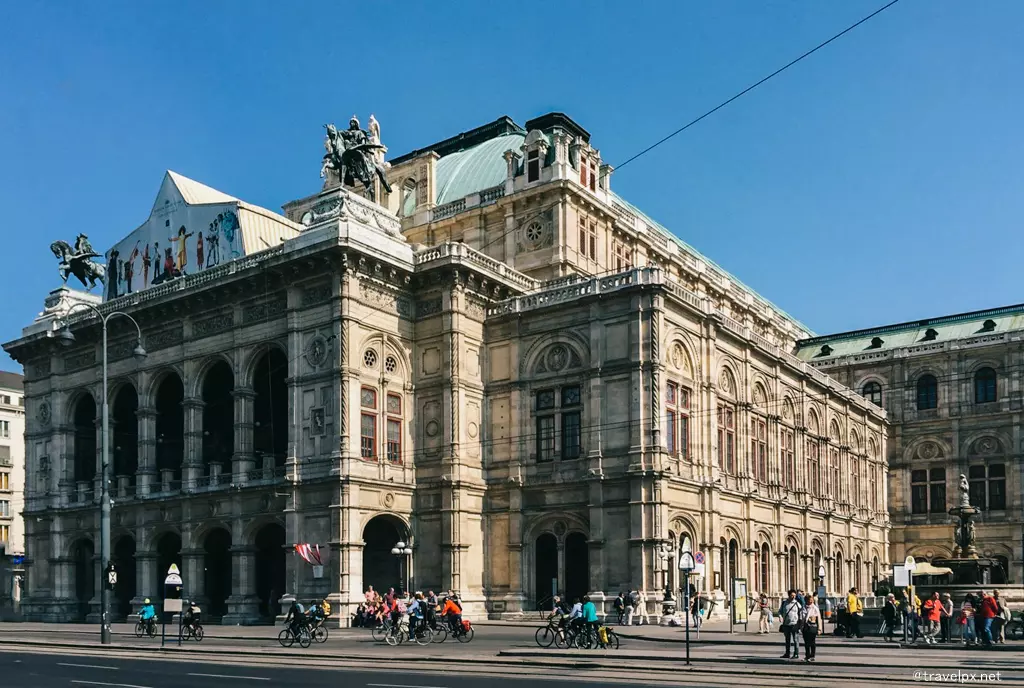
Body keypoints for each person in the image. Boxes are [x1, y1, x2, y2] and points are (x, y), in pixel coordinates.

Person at [779, 589, 802, 659]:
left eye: (794, 595)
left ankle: (796, 653)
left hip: (795, 624)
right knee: (787, 640)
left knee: (795, 639)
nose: (793, 597)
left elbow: (801, 613)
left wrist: (800, 623)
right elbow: (780, 611)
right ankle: (787, 653)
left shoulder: (797, 603)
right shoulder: (784, 603)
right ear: (789, 595)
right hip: (786, 624)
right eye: (792, 595)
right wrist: (780, 617)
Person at [801, 596, 823, 662]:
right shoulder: (803, 608)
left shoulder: (815, 608)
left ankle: (812, 656)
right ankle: (807, 655)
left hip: (813, 627)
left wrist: (819, 629)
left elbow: (819, 619)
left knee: (812, 642)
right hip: (805, 627)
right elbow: (801, 618)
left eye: (811, 600)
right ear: (806, 600)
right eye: (809, 600)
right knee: (806, 643)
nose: (811, 601)